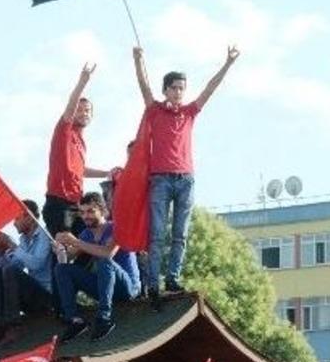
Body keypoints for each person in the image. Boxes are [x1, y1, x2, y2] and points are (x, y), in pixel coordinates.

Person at [132, 44, 239, 310]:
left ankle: (173, 278)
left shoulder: (189, 112)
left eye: (182, 88)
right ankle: (153, 283)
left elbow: (210, 89)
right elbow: (144, 87)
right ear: (166, 89)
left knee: (180, 234)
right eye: (174, 88)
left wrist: (227, 63)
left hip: (185, 177)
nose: (179, 92)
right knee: (157, 234)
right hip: (160, 178)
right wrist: (138, 60)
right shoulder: (155, 110)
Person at [54, 192, 142, 342]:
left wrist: (75, 242)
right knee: (61, 269)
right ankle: (75, 321)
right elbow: (67, 258)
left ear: (102, 210)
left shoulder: (117, 227)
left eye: (90, 211)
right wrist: (59, 249)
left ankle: (104, 318)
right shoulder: (85, 234)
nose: (85, 216)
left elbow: (107, 253)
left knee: (104, 260)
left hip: (127, 288)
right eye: (82, 212)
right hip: (104, 288)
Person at [43, 62, 113, 236]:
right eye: (79, 110)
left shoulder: (81, 141)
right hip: (60, 203)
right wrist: (83, 82)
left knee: (88, 244)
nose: (83, 113)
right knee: (65, 246)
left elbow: (80, 170)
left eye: (87, 110)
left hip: (76, 204)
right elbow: (70, 106)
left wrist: (107, 173)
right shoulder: (64, 131)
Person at [0, 200, 53, 342]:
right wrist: (2, 252)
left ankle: (14, 325)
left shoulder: (45, 235)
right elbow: (15, 267)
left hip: (47, 298)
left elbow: (36, 264)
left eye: (16, 218)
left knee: (10, 271)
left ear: (29, 217)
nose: (13, 223)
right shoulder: (24, 239)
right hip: (31, 295)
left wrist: (12, 245)